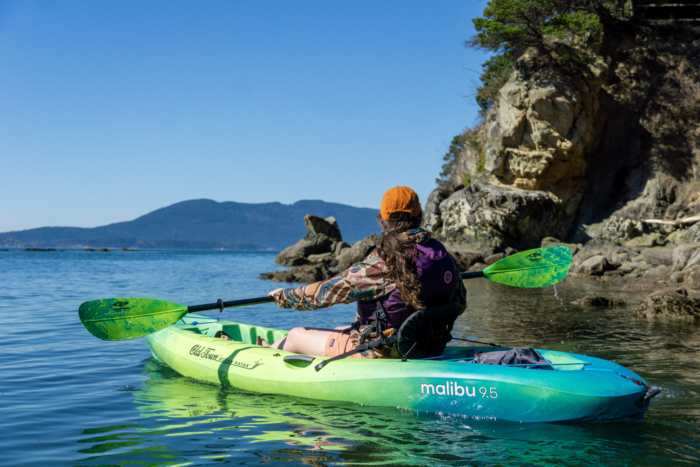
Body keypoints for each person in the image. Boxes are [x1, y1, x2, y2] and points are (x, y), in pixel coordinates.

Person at [261, 186, 467, 359]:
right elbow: (460, 304)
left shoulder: (382, 263)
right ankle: (268, 347)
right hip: (427, 345)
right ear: (419, 216)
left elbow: (323, 294)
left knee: (296, 334)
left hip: (382, 351)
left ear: (383, 220)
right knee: (344, 327)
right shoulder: (444, 256)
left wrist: (282, 296)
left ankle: (263, 356)